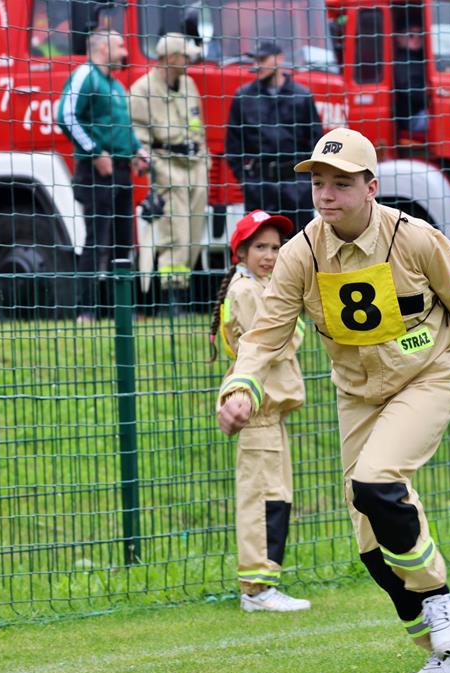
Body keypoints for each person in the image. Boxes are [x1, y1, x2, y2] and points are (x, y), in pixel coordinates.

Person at [216, 128, 450, 673]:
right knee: (369, 537)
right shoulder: (300, 254)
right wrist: (240, 387)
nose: (326, 195)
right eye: (318, 183)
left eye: (341, 184)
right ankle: (447, 648)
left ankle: (441, 599)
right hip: (357, 391)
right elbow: (265, 334)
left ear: (371, 187)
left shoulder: (417, 239)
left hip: (429, 375)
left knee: (377, 483)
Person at [209, 210, 313, 611]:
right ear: (241, 253)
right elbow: (275, 342)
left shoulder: (263, 287)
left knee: (277, 496)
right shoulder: (249, 291)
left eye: (275, 247)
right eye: (260, 247)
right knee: (262, 499)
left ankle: (265, 582)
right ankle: (256, 588)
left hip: (272, 414)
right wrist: (295, 318)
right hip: (258, 412)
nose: (270, 255)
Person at [56, 29, 150, 323]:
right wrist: (95, 152)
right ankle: (86, 311)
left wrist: (137, 151)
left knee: (123, 241)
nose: (125, 53)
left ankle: (121, 310)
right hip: (96, 173)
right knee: (97, 241)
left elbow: (123, 127)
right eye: (121, 46)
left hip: (121, 171)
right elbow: (65, 115)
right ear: (103, 49)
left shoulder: (116, 85)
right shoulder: (86, 75)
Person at [129, 33, 210, 314]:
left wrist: (205, 161)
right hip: (166, 166)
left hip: (195, 167)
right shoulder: (142, 90)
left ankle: (184, 292)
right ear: (171, 57)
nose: (189, 61)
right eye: (185, 56)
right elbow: (138, 140)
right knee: (174, 234)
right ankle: (171, 300)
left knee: (194, 233)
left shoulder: (189, 84)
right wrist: (155, 169)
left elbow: (199, 125)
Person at [224, 40, 324, 233]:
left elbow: (315, 142)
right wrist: (247, 181)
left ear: (279, 59)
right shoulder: (243, 97)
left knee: (300, 244)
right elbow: (233, 145)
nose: (257, 66)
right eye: (255, 61)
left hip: (296, 186)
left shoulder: (301, 96)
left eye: (262, 60)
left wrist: (306, 182)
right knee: (260, 242)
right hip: (259, 188)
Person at [393, 22, 429, 138]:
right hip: (412, 117)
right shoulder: (402, 61)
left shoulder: (419, 56)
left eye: (420, 34)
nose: (416, 38)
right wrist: (432, 96)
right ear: (399, 38)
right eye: (411, 35)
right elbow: (411, 89)